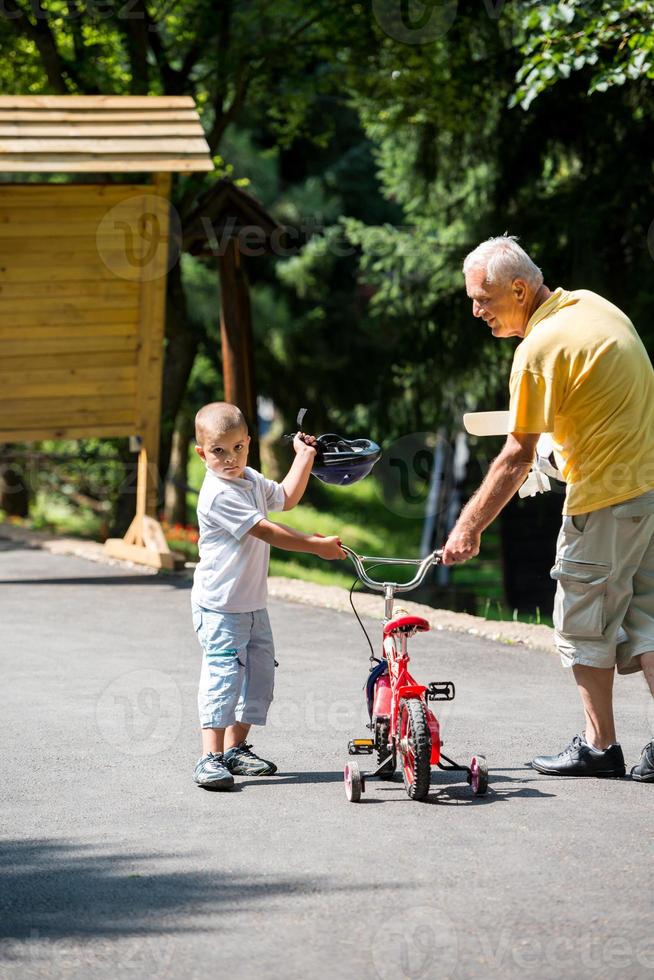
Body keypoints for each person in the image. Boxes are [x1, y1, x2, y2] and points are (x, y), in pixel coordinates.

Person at [442, 235, 654, 782]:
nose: (476, 311)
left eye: (484, 298)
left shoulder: (536, 350)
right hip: (649, 489)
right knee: (649, 618)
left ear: (519, 288)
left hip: (605, 498)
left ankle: (600, 746)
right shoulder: (594, 307)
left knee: (582, 623)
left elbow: (516, 454)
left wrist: (468, 529)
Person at [191, 401, 346, 790]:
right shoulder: (217, 493)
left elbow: (286, 498)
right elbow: (267, 530)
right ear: (201, 453)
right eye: (218, 451)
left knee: (259, 678)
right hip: (221, 606)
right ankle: (209, 758)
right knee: (224, 677)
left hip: (253, 604)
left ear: (248, 443)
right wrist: (316, 545)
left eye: (237, 448)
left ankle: (235, 749)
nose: (229, 459)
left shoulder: (250, 479)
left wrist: (304, 456)